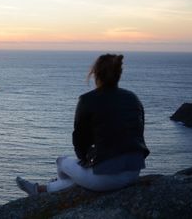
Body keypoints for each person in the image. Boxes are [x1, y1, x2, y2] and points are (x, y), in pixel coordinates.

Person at [16, 54, 150, 195]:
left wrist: (84, 159)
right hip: (133, 172)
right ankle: (43, 189)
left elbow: (80, 139)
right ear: (119, 74)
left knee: (61, 162)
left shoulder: (87, 100)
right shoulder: (133, 98)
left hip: (105, 179)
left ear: (95, 73)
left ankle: (50, 191)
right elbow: (138, 133)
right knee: (83, 176)